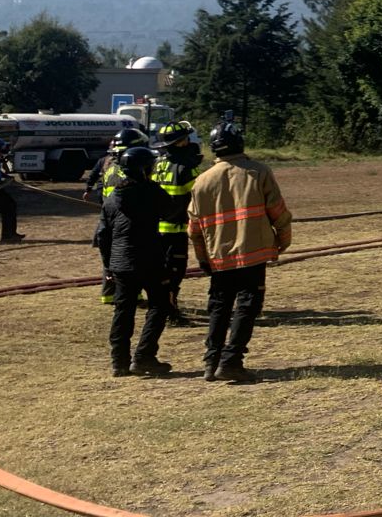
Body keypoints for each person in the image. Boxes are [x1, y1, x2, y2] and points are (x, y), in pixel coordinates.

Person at [188, 122, 292, 384]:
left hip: (219, 256)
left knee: (219, 308)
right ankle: (231, 361)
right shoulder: (258, 172)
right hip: (253, 253)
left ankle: (211, 362)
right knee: (247, 306)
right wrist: (283, 240)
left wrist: (202, 257)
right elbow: (277, 210)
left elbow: (194, 227)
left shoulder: (202, 180)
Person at [96, 145, 172, 376]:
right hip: (150, 259)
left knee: (123, 310)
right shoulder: (152, 192)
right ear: (143, 169)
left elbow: (102, 235)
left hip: (120, 263)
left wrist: (108, 265)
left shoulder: (111, 199)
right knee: (160, 305)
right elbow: (170, 211)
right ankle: (144, 356)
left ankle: (119, 362)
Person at [87, 128, 150, 303]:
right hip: (124, 221)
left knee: (110, 257)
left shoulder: (110, 167)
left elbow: (102, 194)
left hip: (109, 219)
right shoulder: (128, 170)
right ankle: (130, 294)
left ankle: (108, 294)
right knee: (128, 258)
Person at [151, 122, 203, 324]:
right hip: (176, 230)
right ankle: (169, 312)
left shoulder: (156, 164)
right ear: (180, 143)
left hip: (155, 230)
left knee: (160, 271)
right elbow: (199, 197)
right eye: (186, 139)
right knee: (174, 273)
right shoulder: (185, 168)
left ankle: (160, 307)